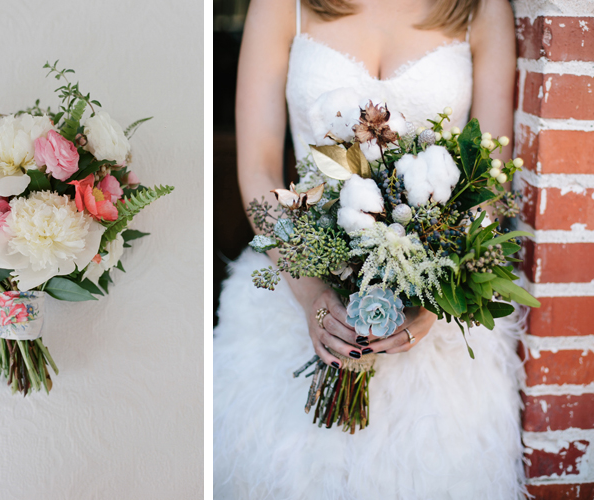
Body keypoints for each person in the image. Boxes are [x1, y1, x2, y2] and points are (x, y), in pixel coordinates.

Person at [214, 0, 527, 498]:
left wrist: (433, 300)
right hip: (297, 282)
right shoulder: (281, 6)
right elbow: (258, 173)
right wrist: (313, 293)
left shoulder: (481, 9)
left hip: (433, 321)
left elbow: (489, 183)